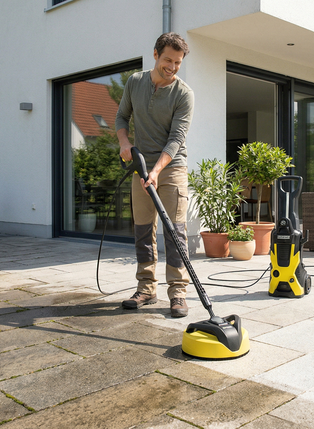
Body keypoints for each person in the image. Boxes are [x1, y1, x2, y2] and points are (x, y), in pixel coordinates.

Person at [115, 32, 194, 318]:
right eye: (167, 60)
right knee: (143, 230)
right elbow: (121, 117)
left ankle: (178, 293)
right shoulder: (135, 83)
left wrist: (158, 170)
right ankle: (146, 288)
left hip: (171, 168)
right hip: (141, 167)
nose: (172, 67)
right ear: (155, 54)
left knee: (175, 232)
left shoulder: (184, 94)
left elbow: (176, 139)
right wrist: (125, 144)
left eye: (178, 62)